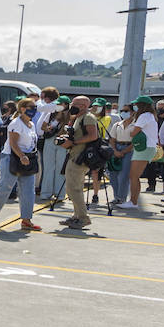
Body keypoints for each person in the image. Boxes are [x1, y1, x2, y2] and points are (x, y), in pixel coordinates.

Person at [0, 97, 41, 231]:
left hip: (27, 159)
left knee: (28, 190)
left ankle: (26, 220)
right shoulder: (16, 123)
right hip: (12, 158)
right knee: (5, 187)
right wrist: (21, 155)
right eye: (31, 107)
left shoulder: (31, 124)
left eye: (35, 107)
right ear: (22, 109)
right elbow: (13, 143)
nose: (34, 110)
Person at [56, 95, 100, 230]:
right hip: (75, 155)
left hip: (80, 158)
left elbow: (93, 136)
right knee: (72, 188)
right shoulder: (79, 118)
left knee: (73, 188)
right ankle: (76, 216)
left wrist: (73, 142)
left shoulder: (88, 117)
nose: (71, 106)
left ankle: (82, 218)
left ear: (83, 106)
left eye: (74, 103)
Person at [121, 94, 159, 209]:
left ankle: (133, 202)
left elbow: (133, 133)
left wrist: (130, 122)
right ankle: (133, 201)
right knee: (134, 176)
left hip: (144, 148)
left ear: (141, 105)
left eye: (136, 104)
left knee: (133, 176)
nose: (135, 106)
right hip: (146, 148)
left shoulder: (145, 116)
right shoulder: (150, 115)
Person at [38, 94, 71, 200]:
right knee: (48, 167)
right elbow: (43, 126)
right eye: (57, 104)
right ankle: (46, 192)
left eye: (60, 104)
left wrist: (63, 118)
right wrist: (49, 129)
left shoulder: (71, 115)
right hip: (50, 140)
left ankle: (59, 193)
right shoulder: (51, 114)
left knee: (60, 167)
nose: (58, 105)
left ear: (66, 105)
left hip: (63, 142)